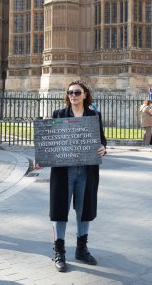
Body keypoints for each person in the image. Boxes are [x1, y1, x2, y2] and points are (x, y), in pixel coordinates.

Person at [50, 80, 107, 272]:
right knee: (60, 210)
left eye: (77, 92)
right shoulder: (59, 115)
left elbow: (102, 141)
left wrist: (102, 149)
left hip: (86, 171)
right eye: (70, 92)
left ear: (85, 94)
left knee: (84, 210)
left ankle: (81, 249)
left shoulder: (94, 116)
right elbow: (50, 140)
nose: (73, 95)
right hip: (64, 171)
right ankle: (59, 251)